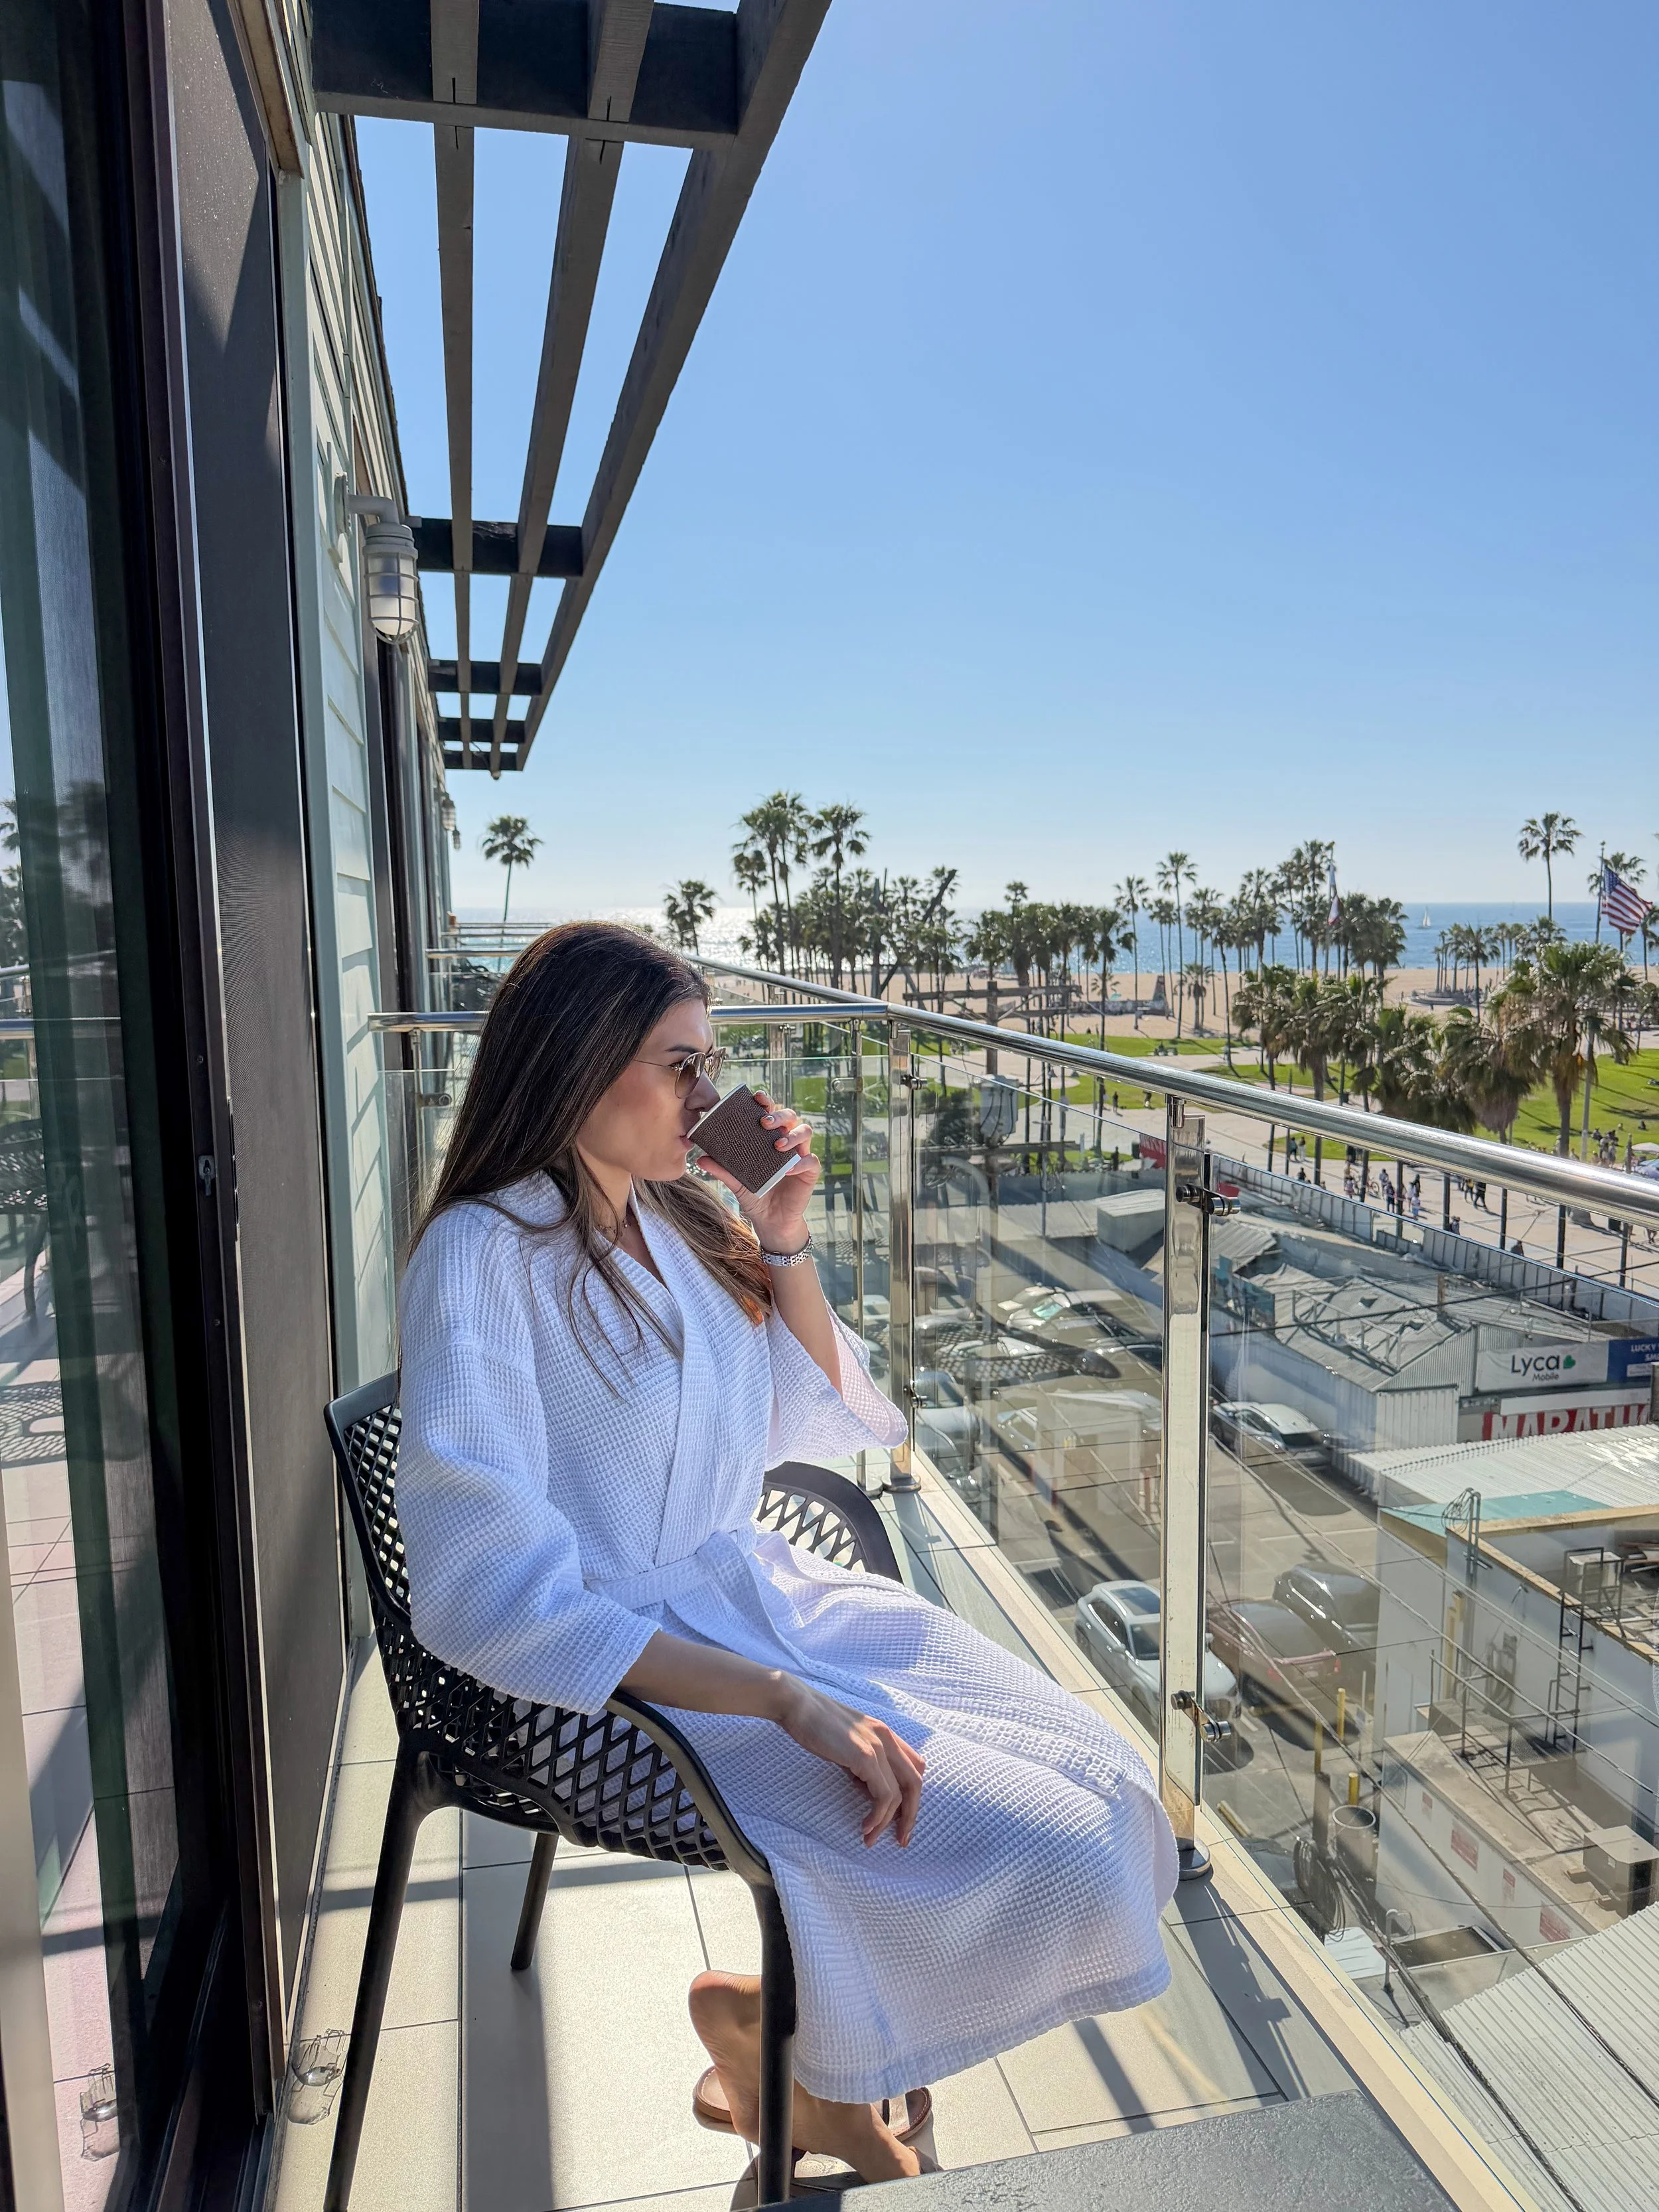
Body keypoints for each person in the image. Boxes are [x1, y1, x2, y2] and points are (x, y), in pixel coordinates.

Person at [396, 924, 1177, 2185]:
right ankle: (811, 2070)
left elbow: (795, 1419)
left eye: (711, 1068)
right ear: (577, 1061)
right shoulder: (484, 1258)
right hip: (615, 1686)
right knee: (1056, 1848)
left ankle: (788, 2043)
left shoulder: (672, 1218)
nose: (708, 1101)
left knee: (1105, 1779)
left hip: (756, 1598)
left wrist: (783, 1236)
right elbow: (490, 1591)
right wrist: (784, 1700)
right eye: (680, 1067)